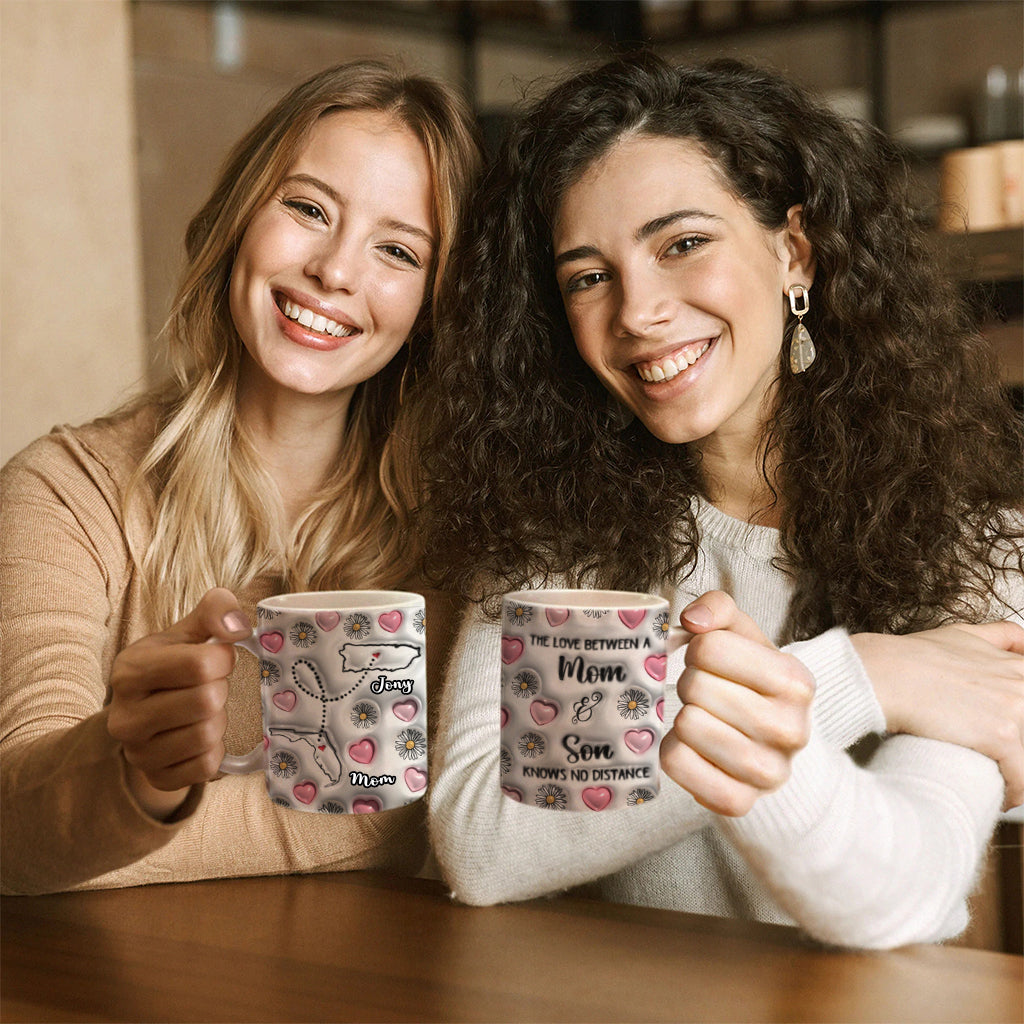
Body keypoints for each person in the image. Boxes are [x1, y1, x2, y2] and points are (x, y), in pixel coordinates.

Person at [416, 53, 1024, 949]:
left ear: (794, 252)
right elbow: (481, 844)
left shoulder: (977, 545)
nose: (637, 311)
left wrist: (782, 692)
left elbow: (901, 892)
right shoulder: (555, 540)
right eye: (588, 276)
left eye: (682, 244)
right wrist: (859, 676)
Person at [1, 59, 482, 895]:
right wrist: (138, 777)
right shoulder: (66, 491)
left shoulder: (460, 530)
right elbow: (16, 825)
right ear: (238, 220)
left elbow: (428, 806)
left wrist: (125, 833)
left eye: (397, 250)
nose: (335, 270)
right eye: (307, 208)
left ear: (434, 304)